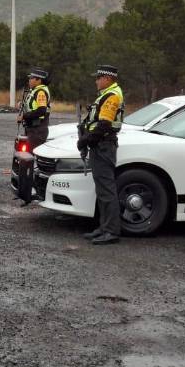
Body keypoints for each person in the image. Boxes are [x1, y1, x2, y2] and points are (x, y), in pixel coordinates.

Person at [77, 65, 124, 245]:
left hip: (104, 145)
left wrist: (86, 140)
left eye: (98, 78)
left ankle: (111, 231)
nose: (96, 81)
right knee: (102, 189)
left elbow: (104, 125)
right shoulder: (106, 94)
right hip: (100, 146)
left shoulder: (112, 95)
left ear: (107, 78)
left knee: (107, 190)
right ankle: (104, 228)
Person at [17, 67, 51, 150]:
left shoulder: (41, 92)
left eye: (31, 78)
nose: (29, 80)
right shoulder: (35, 91)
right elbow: (33, 106)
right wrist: (22, 105)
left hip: (37, 130)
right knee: (26, 155)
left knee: (29, 156)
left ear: (39, 80)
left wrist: (24, 116)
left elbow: (41, 111)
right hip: (32, 129)